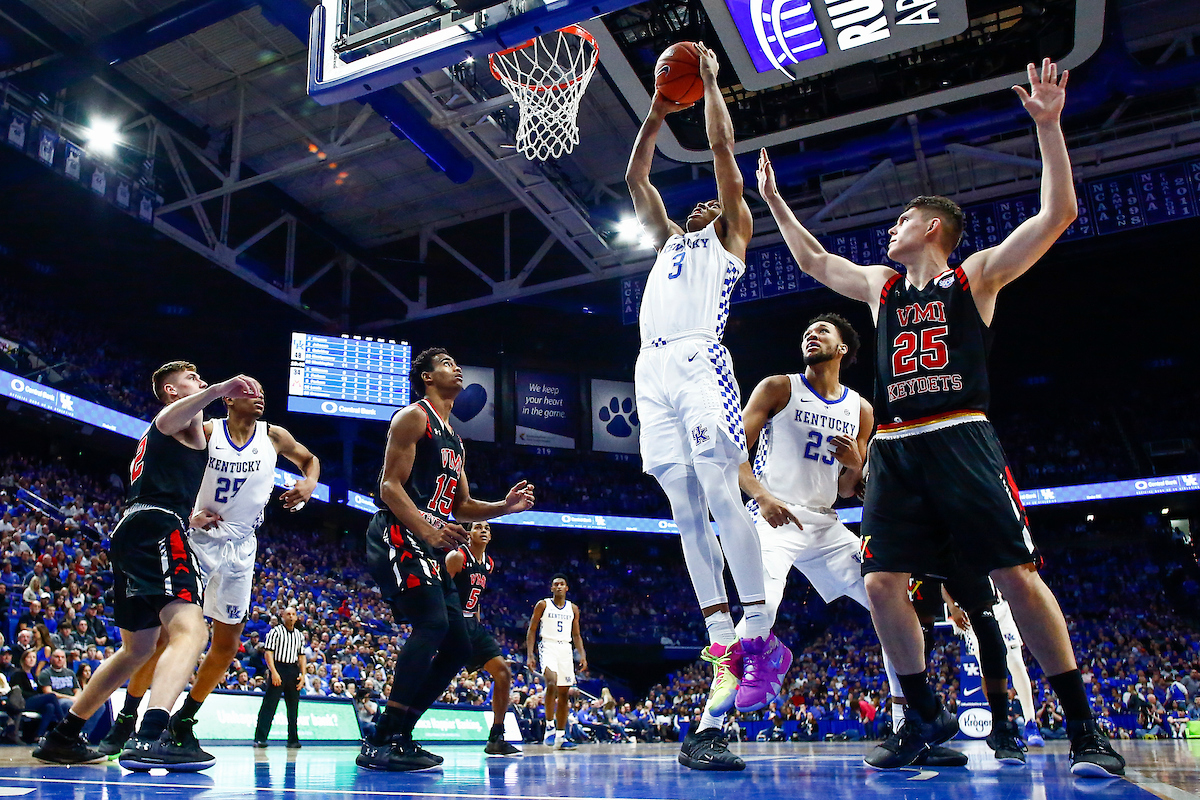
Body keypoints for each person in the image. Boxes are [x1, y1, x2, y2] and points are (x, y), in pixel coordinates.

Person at [756, 59, 1123, 777]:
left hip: (959, 435)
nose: (889, 229)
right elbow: (815, 261)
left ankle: (1083, 727)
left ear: (930, 228)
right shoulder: (881, 287)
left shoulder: (974, 276)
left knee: (1015, 575)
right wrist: (774, 202)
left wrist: (1049, 126)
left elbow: (1057, 215)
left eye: (900, 221)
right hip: (895, 446)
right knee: (880, 584)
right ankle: (922, 717)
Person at [625, 41, 789, 773]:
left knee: (722, 489)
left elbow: (723, 152)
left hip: (699, 360)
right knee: (683, 506)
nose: (702, 204)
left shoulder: (730, 237)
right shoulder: (667, 241)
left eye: (713, 204)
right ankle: (722, 629)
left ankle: (756, 621)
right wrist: (658, 113)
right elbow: (636, 178)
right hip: (650, 368)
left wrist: (713, 84)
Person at [33, 361, 260, 767]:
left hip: (137, 527)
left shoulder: (181, 433)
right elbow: (167, 419)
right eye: (192, 380)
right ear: (172, 391)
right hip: (156, 528)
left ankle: (63, 736)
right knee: (191, 630)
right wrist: (217, 390)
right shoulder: (170, 420)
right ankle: (150, 736)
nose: (201, 382)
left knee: (136, 649)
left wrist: (190, 518)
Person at [96, 381, 320, 765]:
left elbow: (310, 460)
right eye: (249, 391)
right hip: (197, 540)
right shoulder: (207, 431)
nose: (259, 395)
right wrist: (186, 514)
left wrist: (309, 483)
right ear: (228, 399)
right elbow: (167, 469)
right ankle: (127, 721)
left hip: (243, 546)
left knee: (227, 646)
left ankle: (183, 721)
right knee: (165, 638)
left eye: (261, 391)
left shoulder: (274, 436)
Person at [358, 347, 534, 772]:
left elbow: (463, 505)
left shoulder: (454, 438)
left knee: (459, 645)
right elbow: (389, 487)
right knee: (433, 623)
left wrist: (504, 507)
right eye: (446, 364)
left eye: (457, 363)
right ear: (427, 377)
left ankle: (400, 733)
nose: (457, 369)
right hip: (399, 532)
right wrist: (428, 530)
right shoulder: (413, 417)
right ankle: (384, 735)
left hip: (429, 542)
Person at [444, 521, 521, 757]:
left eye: (487, 528)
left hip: (472, 624)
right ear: (469, 533)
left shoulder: (488, 563)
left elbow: (475, 598)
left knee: (503, 673)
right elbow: (439, 591)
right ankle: (399, 728)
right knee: (437, 677)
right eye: (478, 527)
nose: (484, 530)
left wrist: (476, 622)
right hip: (451, 620)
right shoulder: (457, 557)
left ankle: (496, 737)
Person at [526, 574, 587, 750]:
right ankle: (549, 727)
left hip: (565, 649)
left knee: (564, 693)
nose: (559, 586)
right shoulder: (543, 604)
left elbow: (576, 634)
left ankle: (561, 736)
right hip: (547, 645)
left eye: (562, 584)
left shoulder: (573, 608)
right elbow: (532, 630)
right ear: (551, 588)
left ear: (567, 588)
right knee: (551, 683)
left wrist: (582, 655)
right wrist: (530, 654)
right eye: (556, 584)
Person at [253, 606, 306, 747]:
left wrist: (303, 675)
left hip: (293, 670)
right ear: (283, 616)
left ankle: (293, 740)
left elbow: (302, 656)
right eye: (288, 614)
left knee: (293, 707)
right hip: (279, 667)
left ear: (296, 617)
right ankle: (260, 738)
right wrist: (274, 672)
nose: (291, 616)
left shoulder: (299, 635)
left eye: (293, 614)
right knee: (269, 705)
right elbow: (268, 653)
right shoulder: (275, 632)